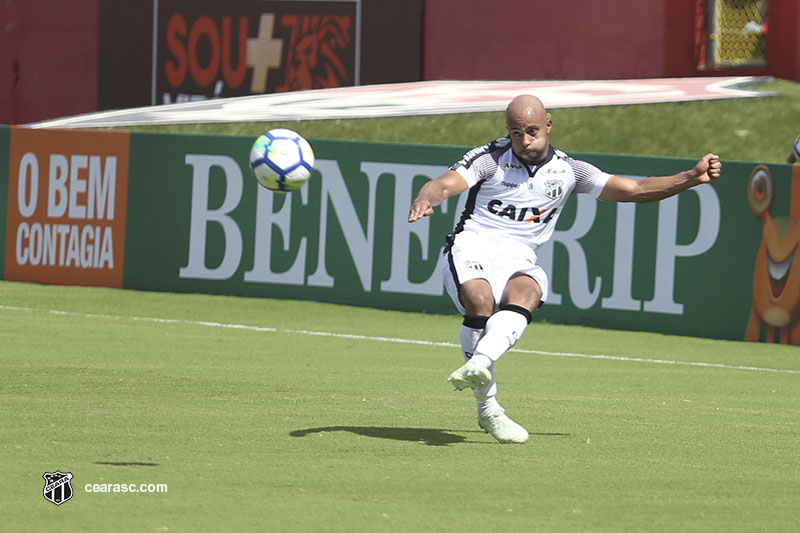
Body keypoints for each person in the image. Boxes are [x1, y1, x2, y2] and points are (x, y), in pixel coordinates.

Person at [407, 94, 722, 444]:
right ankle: (488, 408)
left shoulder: (570, 171)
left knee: (528, 291)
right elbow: (445, 184)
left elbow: (635, 190)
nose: (524, 141)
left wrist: (691, 177)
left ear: (548, 126)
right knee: (480, 300)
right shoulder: (490, 160)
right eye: (516, 133)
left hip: (519, 255)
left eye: (532, 131)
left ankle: (479, 362)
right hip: (473, 244)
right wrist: (426, 197)